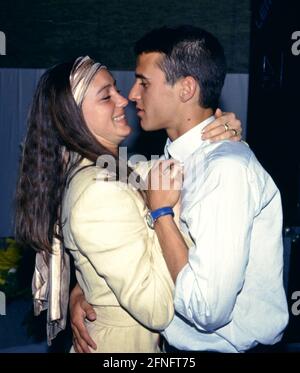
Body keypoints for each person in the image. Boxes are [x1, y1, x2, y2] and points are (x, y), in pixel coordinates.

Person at [71, 25, 289, 353]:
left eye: (143, 82)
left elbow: (207, 310)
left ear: (186, 88)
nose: (131, 95)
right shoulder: (173, 161)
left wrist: (161, 215)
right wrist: (85, 285)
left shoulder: (224, 170)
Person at [14, 55, 240, 353]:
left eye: (116, 89)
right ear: (73, 118)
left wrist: (218, 136)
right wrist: (163, 214)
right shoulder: (98, 192)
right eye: (106, 96)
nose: (124, 100)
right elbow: (158, 310)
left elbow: (172, 168)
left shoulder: (114, 168)